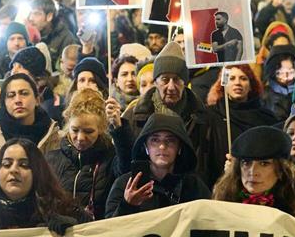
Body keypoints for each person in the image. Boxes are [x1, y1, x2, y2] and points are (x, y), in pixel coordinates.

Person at [110, 41, 223, 184]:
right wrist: (119, 131)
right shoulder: (134, 115)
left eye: (176, 80)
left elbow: (214, 167)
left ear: (185, 82)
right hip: (147, 195)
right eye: (165, 79)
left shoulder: (204, 118)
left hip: (190, 195)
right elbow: (122, 168)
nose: (171, 86)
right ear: (155, 81)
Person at [212, 125, 295, 235]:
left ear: (281, 170)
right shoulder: (223, 202)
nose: (253, 172)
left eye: (264, 164)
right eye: (246, 163)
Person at [0, 138, 80, 234]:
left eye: (24, 165)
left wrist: (74, 231)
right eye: (6, 164)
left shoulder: (66, 209)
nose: (14, 170)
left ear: (38, 172)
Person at [104, 114, 211, 217]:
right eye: (155, 140)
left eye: (170, 140)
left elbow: (211, 222)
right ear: (146, 146)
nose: (162, 146)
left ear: (179, 147)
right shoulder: (126, 184)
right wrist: (128, 205)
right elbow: (110, 230)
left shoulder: (194, 186)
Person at [43, 89, 117, 220]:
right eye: (75, 130)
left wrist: (120, 129)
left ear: (101, 128)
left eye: (89, 131)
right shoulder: (51, 159)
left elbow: (126, 166)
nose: (81, 137)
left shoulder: (111, 158)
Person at [206, 64, 277, 150]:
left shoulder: (266, 118)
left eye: (243, 78)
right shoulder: (211, 116)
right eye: (231, 78)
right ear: (223, 85)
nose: (237, 83)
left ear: (251, 85)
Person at [27, 0, 78, 71]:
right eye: (30, 13)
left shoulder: (65, 37)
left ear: (49, 16)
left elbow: (66, 71)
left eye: (37, 14)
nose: (31, 18)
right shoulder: (27, 34)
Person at [260, 44, 295, 123]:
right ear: (272, 72)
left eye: (290, 72)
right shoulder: (265, 95)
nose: (286, 77)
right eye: (280, 73)